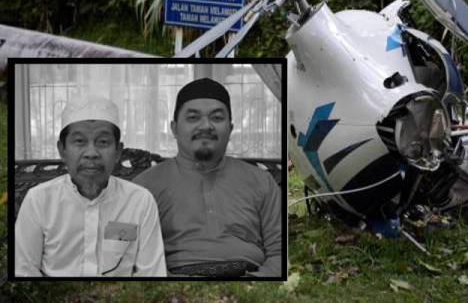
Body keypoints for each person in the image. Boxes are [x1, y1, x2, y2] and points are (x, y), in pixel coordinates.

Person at [134, 78, 282, 277]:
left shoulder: (261, 181)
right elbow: (129, 256)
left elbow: (279, 251)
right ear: (174, 128)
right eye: (193, 118)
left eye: (217, 118)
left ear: (230, 129)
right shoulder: (144, 187)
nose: (206, 126)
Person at [15, 95, 167, 277]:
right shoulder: (39, 199)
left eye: (103, 142)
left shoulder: (139, 201)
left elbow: (152, 273)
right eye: (79, 142)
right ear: (62, 150)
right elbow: (24, 270)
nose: (92, 153)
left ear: (118, 151)